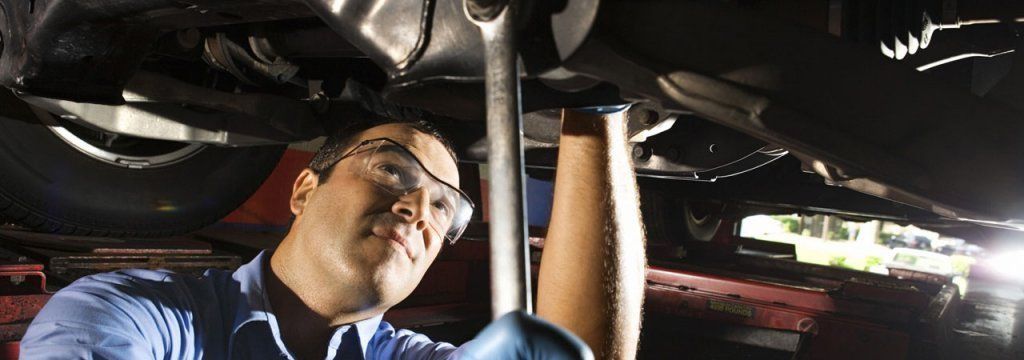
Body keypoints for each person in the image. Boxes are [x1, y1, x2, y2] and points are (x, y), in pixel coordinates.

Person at [19, 106, 646, 359]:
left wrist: (596, 109)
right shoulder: (128, 315)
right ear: (302, 189)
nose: (416, 211)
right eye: (391, 170)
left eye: (443, 209)